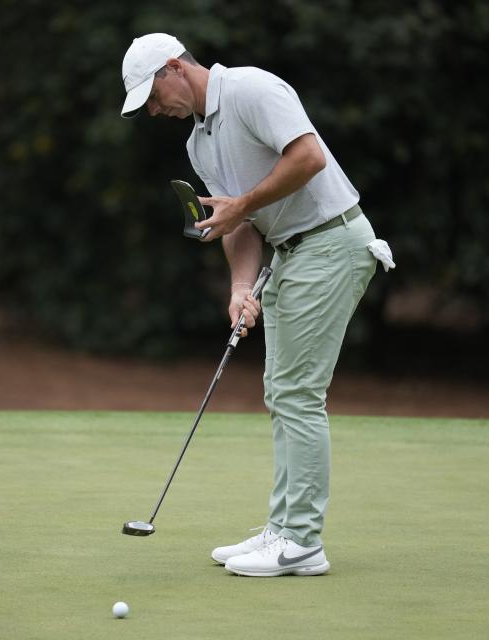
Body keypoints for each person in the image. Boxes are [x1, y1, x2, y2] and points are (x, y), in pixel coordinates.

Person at [120, 33, 394, 577]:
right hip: (292, 252)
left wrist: (242, 204)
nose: (154, 111)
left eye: (153, 96)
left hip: (332, 241)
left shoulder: (251, 89)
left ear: (175, 67)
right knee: (281, 391)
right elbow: (236, 221)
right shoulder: (199, 143)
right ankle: (283, 527)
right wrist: (240, 287)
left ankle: (303, 543)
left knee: (297, 393)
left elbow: (309, 157)